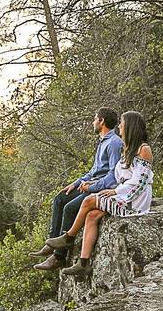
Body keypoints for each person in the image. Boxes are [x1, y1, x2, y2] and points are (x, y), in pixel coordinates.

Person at [44, 110, 154, 278]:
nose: (120, 128)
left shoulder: (143, 150)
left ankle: (69, 236)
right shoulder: (127, 150)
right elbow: (118, 175)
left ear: (130, 127)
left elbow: (139, 183)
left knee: (89, 201)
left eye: (122, 125)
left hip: (134, 201)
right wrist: (91, 184)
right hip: (123, 194)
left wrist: (114, 191)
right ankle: (83, 263)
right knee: (92, 215)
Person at [29, 107, 123, 271]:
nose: (93, 122)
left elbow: (113, 175)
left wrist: (91, 186)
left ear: (102, 122)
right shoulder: (103, 142)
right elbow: (93, 171)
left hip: (99, 188)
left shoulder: (114, 143)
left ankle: (58, 257)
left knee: (70, 208)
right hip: (90, 184)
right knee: (59, 198)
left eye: (95, 119)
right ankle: (51, 243)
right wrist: (76, 182)